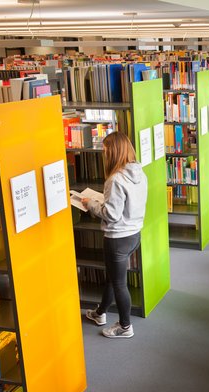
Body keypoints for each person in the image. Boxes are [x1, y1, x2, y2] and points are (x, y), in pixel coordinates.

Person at [81, 131, 147, 339]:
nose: (103, 154)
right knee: (113, 278)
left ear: (114, 152)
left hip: (117, 238)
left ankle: (125, 327)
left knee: (118, 283)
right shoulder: (139, 173)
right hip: (134, 234)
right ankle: (100, 313)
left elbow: (111, 214)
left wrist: (90, 203)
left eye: (105, 150)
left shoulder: (115, 179)